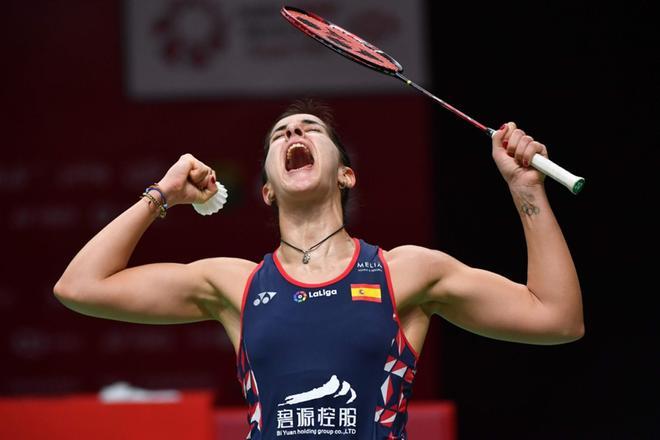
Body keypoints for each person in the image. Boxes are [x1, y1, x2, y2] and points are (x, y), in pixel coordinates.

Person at [54, 100, 584, 439]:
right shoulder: (234, 284)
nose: (293, 134)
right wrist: (163, 194)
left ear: (345, 175)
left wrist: (525, 190)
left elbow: (557, 319)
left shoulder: (407, 273)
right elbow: (80, 287)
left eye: (310, 129)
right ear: (266, 188)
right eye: (280, 134)